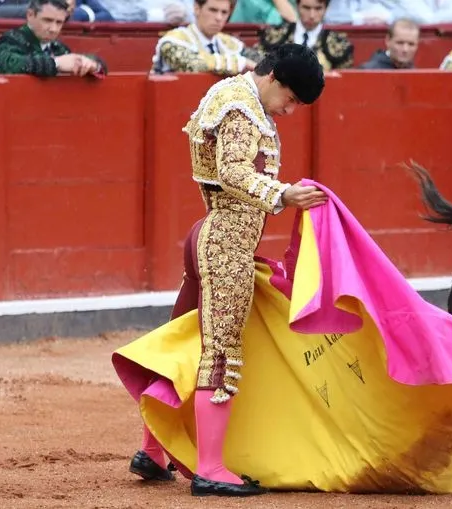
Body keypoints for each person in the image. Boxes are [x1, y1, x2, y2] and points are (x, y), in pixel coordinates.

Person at [126, 42, 327, 498]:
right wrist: (284, 195)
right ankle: (211, 468)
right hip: (226, 242)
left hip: (210, 234)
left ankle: (153, 451)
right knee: (222, 351)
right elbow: (233, 171)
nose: (291, 111)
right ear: (273, 77)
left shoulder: (235, 95)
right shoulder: (241, 106)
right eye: (291, 99)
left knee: (189, 343)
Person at [0, 0, 106, 77]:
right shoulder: (9, 40)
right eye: (47, 20)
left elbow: (100, 66)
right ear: (30, 15)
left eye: (59, 22)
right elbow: (12, 65)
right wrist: (57, 63)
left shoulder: (57, 47)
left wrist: (91, 65)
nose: (54, 29)